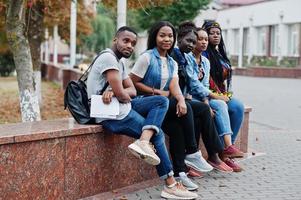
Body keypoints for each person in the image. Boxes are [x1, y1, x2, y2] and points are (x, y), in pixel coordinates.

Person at [87, 26, 198, 199]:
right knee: (158, 134)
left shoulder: (120, 61)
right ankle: (170, 185)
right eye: (125, 41)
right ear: (115, 40)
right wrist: (117, 91)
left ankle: (143, 142)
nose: (129, 46)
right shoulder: (109, 58)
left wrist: (116, 91)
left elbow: (130, 90)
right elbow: (124, 93)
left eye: (133, 43)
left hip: (121, 107)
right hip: (111, 114)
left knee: (161, 101)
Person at [170, 21, 233, 173]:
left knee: (211, 109)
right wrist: (211, 97)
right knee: (198, 114)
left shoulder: (198, 59)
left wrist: (207, 100)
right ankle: (205, 155)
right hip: (178, 99)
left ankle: (219, 152)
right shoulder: (179, 57)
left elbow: (202, 84)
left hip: (187, 98)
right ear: (179, 40)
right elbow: (191, 83)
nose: (194, 44)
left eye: (194, 41)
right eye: (192, 40)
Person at [200, 21, 245, 170]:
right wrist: (219, 96)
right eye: (211, 33)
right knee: (223, 106)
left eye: (218, 33)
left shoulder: (219, 54)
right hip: (209, 95)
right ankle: (223, 152)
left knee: (238, 106)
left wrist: (225, 95)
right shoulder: (204, 53)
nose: (215, 36)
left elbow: (223, 80)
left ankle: (226, 152)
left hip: (220, 94)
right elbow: (207, 81)